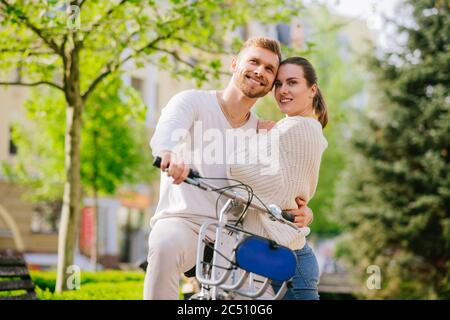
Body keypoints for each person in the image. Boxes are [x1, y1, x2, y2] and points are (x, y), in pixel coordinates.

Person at [144, 37, 314, 300]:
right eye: (254, 62)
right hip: (184, 223)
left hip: (237, 235)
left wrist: (304, 212)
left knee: (262, 299)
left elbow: (281, 189)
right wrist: (169, 153)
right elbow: (167, 132)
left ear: (270, 85)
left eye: (270, 69)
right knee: (164, 245)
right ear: (235, 64)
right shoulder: (193, 102)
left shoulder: (264, 133)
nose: (261, 71)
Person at [227, 56, 328, 300]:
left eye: (292, 83)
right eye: (279, 85)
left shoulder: (295, 128)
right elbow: (289, 193)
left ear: (312, 89)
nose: (283, 91)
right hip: (281, 253)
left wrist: (255, 136)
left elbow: (239, 171)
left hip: (284, 257)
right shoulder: (295, 127)